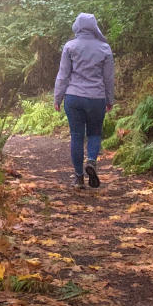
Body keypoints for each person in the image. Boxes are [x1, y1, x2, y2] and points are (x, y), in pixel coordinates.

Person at [53, 13, 114, 188]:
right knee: (95, 133)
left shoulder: (70, 46)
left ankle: (78, 178)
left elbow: (63, 75)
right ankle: (92, 161)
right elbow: (108, 78)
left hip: (74, 98)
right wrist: (110, 99)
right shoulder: (104, 48)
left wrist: (58, 97)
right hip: (96, 98)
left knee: (77, 136)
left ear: (77, 27)